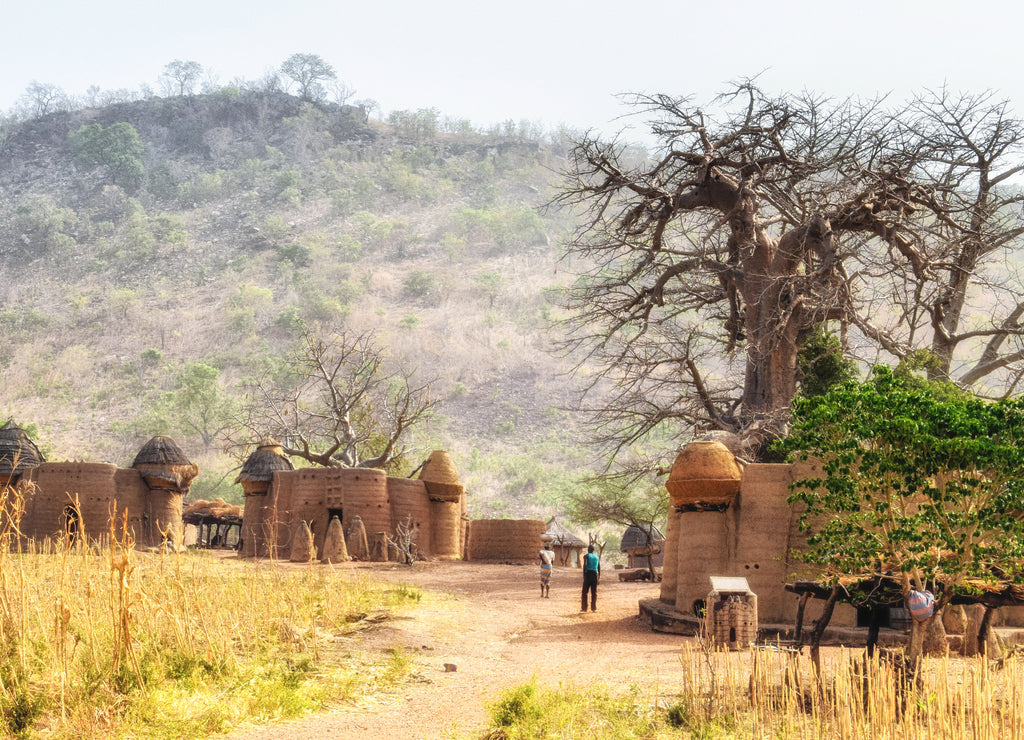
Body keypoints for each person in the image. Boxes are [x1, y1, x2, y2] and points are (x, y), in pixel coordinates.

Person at [581, 544, 600, 612]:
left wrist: (584, 575)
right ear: (593, 550)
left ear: (588, 550)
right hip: (595, 575)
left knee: (584, 592)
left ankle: (584, 608)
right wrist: (598, 577)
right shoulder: (596, 557)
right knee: (594, 592)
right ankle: (594, 608)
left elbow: (585, 565)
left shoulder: (586, 556)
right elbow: (599, 568)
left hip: (588, 574)